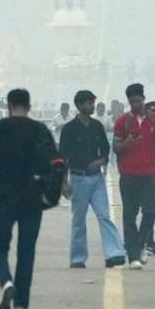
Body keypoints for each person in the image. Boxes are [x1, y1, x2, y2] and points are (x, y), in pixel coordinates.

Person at [0, 88, 54, 309]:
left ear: (8, 105)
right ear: (29, 106)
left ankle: (6, 282)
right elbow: (55, 160)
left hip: (5, 198)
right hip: (33, 200)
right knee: (26, 250)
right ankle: (22, 307)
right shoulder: (40, 130)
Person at [57, 90, 126, 270]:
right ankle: (77, 258)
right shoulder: (69, 129)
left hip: (96, 179)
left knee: (104, 215)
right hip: (78, 178)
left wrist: (100, 161)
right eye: (88, 103)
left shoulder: (97, 126)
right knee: (79, 219)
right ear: (79, 106)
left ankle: (114, 254)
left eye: (92, 103)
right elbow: (62, 157)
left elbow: (105, 149)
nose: (92, 106)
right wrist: (63, 181)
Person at [112, 82, 155, 267]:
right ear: (128, 101)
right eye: (132, 102)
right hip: (128, 174)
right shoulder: (122, 122)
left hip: (150, 173)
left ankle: (142, 243)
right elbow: (116, 148)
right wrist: (128, 142)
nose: (136, 104)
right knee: (129, 215)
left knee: (150, 212)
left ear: (144, 98)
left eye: (138, 101)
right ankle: (133, 256)